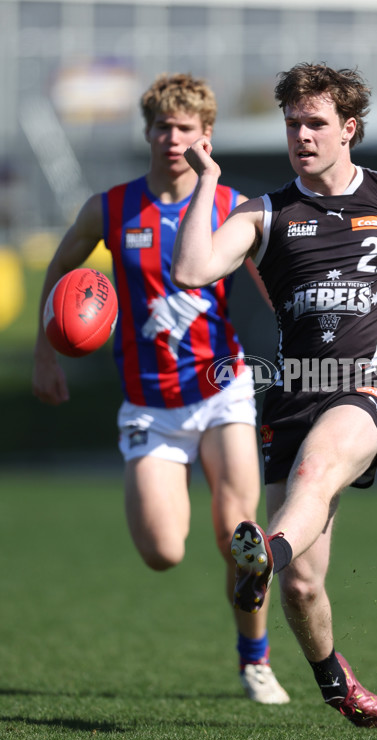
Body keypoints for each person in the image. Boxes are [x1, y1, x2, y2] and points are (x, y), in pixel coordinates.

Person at [171, 62, 377, 729]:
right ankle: (336, 685)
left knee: (317, 474)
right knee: (301, 586)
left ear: (349, 129)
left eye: (316, 123)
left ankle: (264, 550)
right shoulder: (263, 212)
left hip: (368, 388)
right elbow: (190, 269)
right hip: (294, 397)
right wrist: (208, 182)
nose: (303, 135)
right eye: (293, 123)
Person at [32, 73, 289, 705]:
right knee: (162, 552)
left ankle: (255, 658)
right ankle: (240, 637)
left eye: (186, 128)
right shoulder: (110, 207)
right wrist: (47, 350)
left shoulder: (230, 205)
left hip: (221, 384)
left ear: (207, 137)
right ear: (147, 132)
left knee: (240, 533)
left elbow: (274, 287)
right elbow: (62, 267)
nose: (173, 138)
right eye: (163, 127)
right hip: (150, 401)